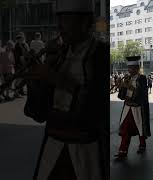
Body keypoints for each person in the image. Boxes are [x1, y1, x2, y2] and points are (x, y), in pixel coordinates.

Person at [28, 0, 108, 179]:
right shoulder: (57, 55)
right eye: (59, 19)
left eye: (67, 19)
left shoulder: (101, 54)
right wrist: (36, 82)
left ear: (86, 22)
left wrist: (58, 80)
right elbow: (38, 114)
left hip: (87, 153)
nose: (60, 26)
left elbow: (97, 111)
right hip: (52, 150)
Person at [115, 55, 150, 160]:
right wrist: (122, 87)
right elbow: (121, 96)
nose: (130, 70)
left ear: (137, 68)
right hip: (127, 108)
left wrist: (130, 87)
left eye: (133, 68)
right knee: (125, 129)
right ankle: (123, 151)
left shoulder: (142, 78)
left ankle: (142, 144)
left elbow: (143, 93)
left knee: (140, 127)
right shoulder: (127, 78)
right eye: (129, 68)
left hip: (138, 108)